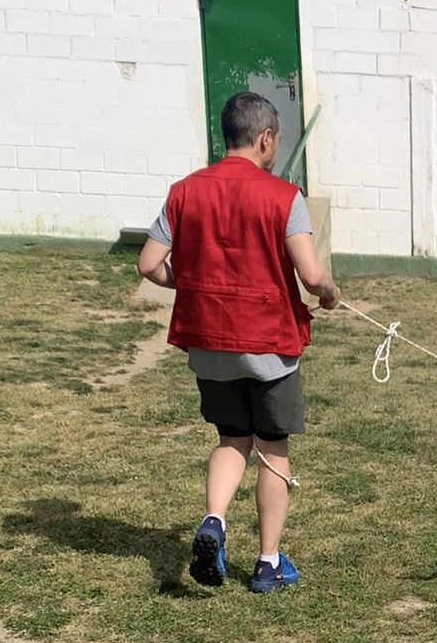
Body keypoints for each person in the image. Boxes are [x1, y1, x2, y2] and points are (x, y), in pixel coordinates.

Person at [137, 92, 341, 594]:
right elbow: (312, 275)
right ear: (266, 138)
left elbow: (148, 264)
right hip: (270, 345)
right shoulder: (284, 197)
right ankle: (268, 563)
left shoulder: (184, 192)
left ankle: (214, 521)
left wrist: (188, 282)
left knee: (231, 439)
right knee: (272, 448)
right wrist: (331, 293)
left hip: (209, 344)